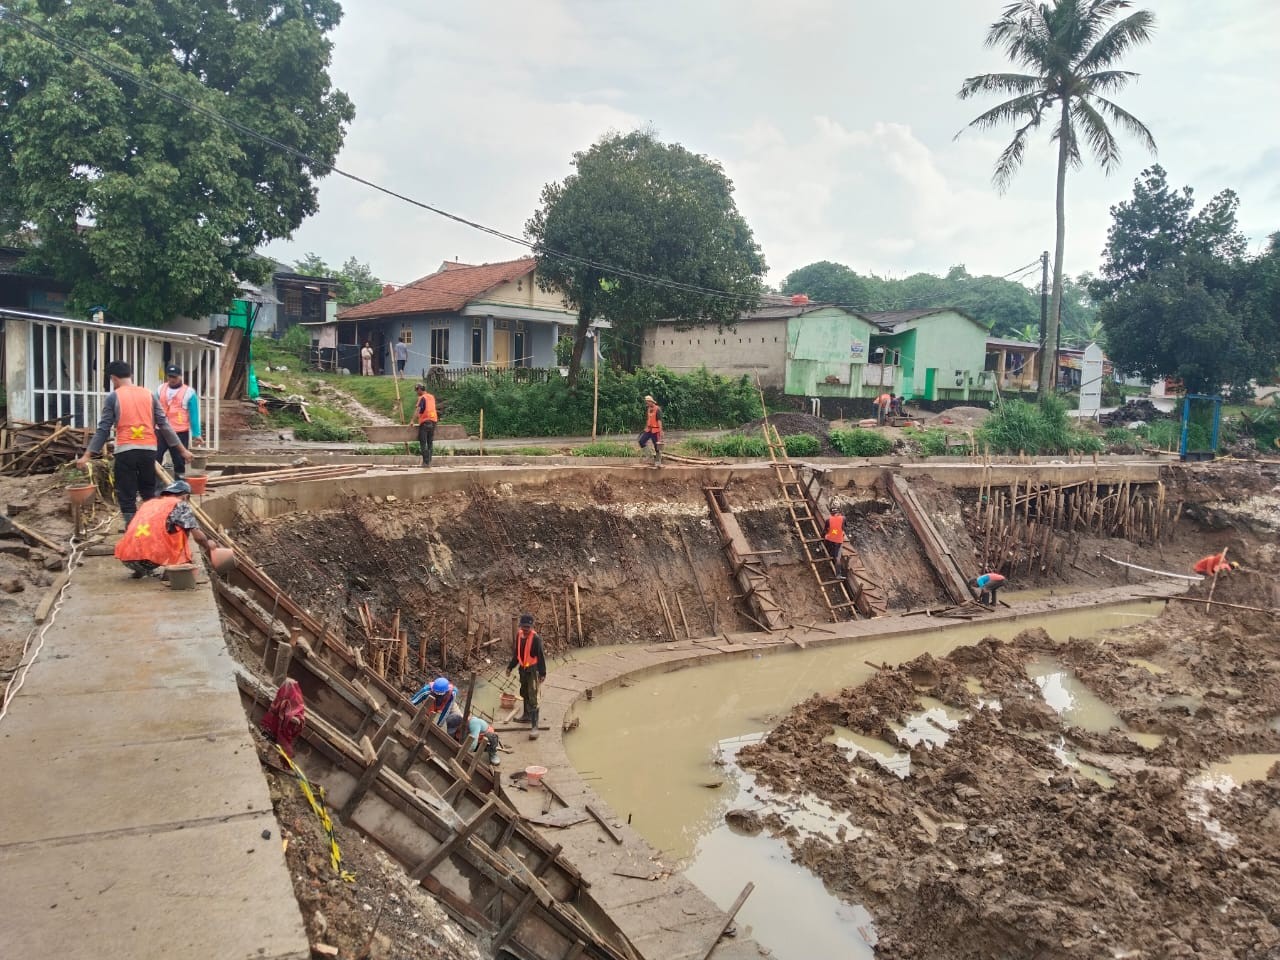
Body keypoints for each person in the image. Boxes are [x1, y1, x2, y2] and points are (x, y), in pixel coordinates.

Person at [75, 360, 191, 530]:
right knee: (148, 491)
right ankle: (153, 527)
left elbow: (103, 429)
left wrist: (86, 456)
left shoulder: (114, 397)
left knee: (127, 493)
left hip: (125, 451)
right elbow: (164, 425)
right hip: (149, 450)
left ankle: (132, 530)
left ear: (113, 378)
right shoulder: (148, 394)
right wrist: (183, 450)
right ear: (130, 375)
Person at [113, 480, 215, 579]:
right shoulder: (181, 505)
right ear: (185, 496)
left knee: (154, 531)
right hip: (148, 561)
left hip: (127, 558)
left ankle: (140, 571)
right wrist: (209, 548)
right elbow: (199, 537)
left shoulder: (148, 504)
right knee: (181, 530)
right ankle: (172, 569)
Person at [155, 363, 201, 479]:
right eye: (170, 376)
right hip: (161, 430)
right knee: (156, 457)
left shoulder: (189, 392)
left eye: (174, 377)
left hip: (179, 432)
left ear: (180, 376)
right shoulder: (160, 389)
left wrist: (196, 434)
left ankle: (179, 482)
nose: (172, 379)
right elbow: (153, 408)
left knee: (179, 460)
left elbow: (194, 414)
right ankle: (156, 483)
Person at [507, 613, 546, 740]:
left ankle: (534, 727)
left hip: (533, 670)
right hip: (523, 669)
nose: (525, 629)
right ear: (520, 626)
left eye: (527, 627)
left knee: (533, 696)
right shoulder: (519, 635)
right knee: (524, 692)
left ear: (532, 627)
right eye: (523, 627)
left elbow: (540, 656)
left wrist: (542, 673)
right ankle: (526, 715)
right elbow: (516, 654)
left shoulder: (536, 639)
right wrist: (510, 667)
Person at [414, 383, 438, 467]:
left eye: (417, 390)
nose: (417, 392)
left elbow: (418, 409)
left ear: (420, 389)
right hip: (433, 421)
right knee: (430, 442)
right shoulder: (431, 397)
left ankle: (425, 462)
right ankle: (429, 462)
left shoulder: (422, 398)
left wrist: (412, 421)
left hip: (425, 422)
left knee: (423, 442)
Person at [638, 394, 663, 467]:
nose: (647, 403)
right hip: (649, 429)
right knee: (641, 441)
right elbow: (648, 419)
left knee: (657, 447)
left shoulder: (657, 409)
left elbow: (659, 421)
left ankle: (658, 462)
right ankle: (649, 455)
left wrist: (661, 431)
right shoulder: (648, 409)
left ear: (651, 402)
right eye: (646, 402)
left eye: (648, 402)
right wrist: (645, 428)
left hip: (655, 430)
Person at [823, 511, 846, 576]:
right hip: (838, 540)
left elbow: (825, 530)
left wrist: (824, 536)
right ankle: (838, 574)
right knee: (837, 558)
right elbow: (843, 528)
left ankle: (828, 553)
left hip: (830, 538)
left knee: (828, 540)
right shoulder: (843, 518)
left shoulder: (828, 520)